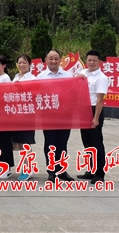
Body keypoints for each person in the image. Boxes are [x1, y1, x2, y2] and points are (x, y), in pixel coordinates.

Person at [37, 49, 75, 182]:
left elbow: (73, 94)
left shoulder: (68, 76)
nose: (53, 61)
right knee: (50, 143)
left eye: (56, 58)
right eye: (51, 58)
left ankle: (62, 170)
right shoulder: (40, 77)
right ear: (46, 60)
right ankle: (51, 170)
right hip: (48, 116)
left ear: (60, 60)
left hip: (65, 115)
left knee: (62, 143)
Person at [76, 50, 108, 185]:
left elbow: (100, 100)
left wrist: (96, 118)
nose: (91, 62)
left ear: (99, 62)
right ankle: (91, 170)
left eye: (94, 60)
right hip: (83, 110)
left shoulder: (102, 78)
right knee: (87, 142)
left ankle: (99, 174)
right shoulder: (83, 73)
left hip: (95, 110)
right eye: (89, 60)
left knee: (96, 142)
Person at [11, 54, 37, 181]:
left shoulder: (33, 78)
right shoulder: (16, 77)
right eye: (20, 62)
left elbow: (34, 95)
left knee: (26, 142)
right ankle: (25, 166)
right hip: (15, 115)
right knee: (20, 143)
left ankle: (28, 169)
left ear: (29, 64)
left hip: (27, 115)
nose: (22, 65)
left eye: (24, 62)